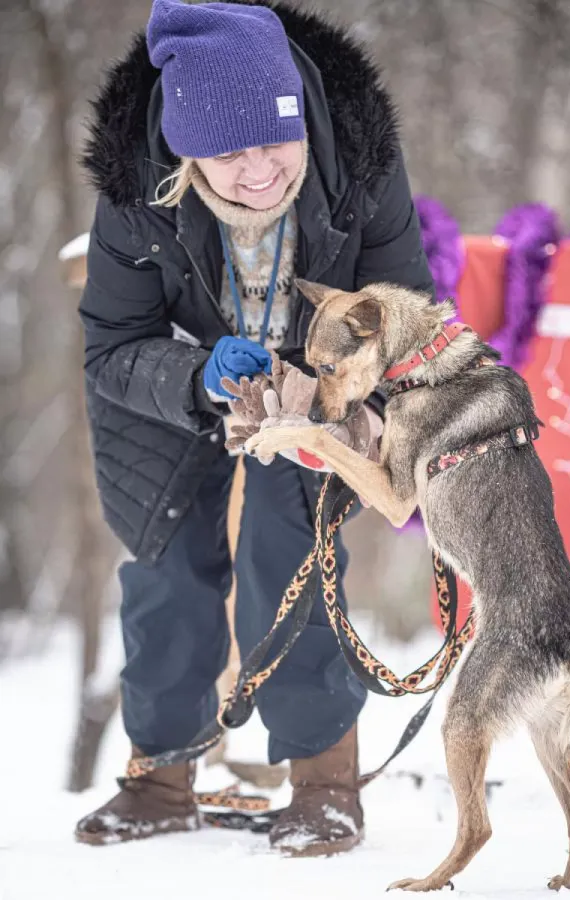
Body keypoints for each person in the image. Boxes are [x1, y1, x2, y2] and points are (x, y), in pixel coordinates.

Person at [75, 0, 434, 855]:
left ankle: (324, 782)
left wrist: (349, 400)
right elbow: (111, 347)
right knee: (167, 573)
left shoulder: (361, 168)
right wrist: (197, 375)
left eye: (272, 141)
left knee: (293, 555)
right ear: (184, 150)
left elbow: (406, 318)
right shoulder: (136, 192)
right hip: (178, 384)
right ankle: (159, 777)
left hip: (314, 389)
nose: (258, 171)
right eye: (227, 155)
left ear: (299, 116)